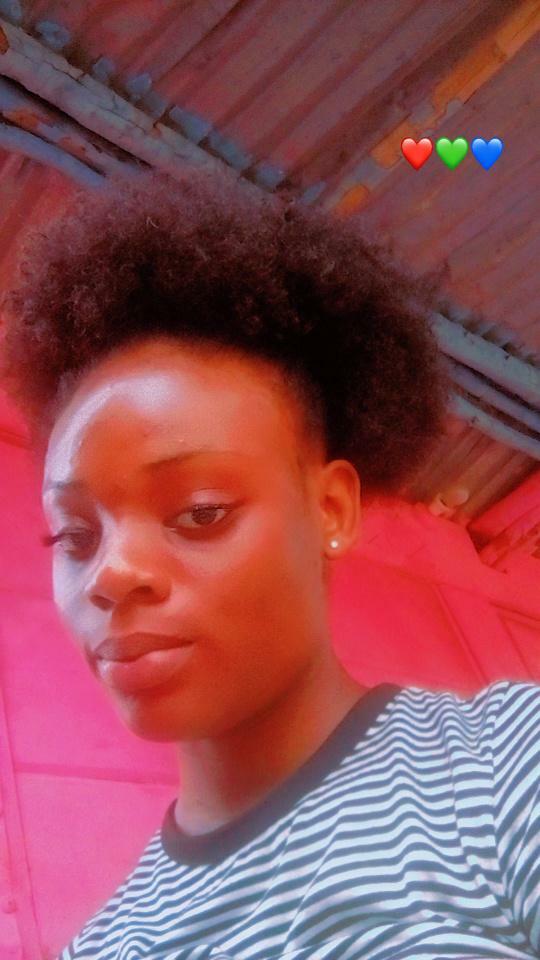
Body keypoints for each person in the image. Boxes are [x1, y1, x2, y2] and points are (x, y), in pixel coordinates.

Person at [1, 167, 538, 960]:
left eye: (199, 511)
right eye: (75, 536)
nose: (110, 575)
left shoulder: (507, 767)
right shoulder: (109, 947)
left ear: (331, 509)